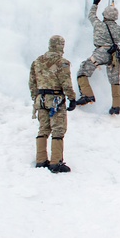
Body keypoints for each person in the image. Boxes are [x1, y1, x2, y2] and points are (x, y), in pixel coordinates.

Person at [29, 35, 78, 173]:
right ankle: (56, 162)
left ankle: (41, 160)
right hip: (55, 99)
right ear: (61, 46)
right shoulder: (62, 63)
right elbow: (66, 83)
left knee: (43, 129)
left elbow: (32, 83)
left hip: (41, 98)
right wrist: (72, 98)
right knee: (58, 129)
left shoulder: (37, 61)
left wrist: (36, 99)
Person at [76, 0, 120, 115]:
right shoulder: (119, 29)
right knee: (115, 80)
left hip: (101, 52)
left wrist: (95, 4)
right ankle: (116, 105)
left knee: (83, 71)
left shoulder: (99, 25)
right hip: (114, 55)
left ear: (105, 15)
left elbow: (91, 16)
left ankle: (87, 95)